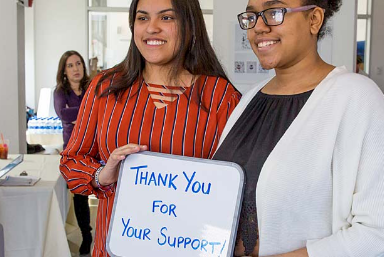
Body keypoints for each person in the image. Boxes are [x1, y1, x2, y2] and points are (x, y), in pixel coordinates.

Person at [59, 0, 241, 256]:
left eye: (166, 18)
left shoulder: (220, 97)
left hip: (188, 248)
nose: (151, 28)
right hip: (115, 247)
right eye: (142, 18)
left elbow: (238, 185)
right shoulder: (105, 87)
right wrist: (103, 174)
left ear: (189, 25)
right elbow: (71, 161)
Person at [213, 0, 384, 256]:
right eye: (251, 16)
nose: (258, 26)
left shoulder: (356, 96)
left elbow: (375, 234)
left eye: (274, 12)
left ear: (314, 19)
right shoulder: (250, 99)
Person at [53, 50, 93, 256]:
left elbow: (100, 110)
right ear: (64, 70)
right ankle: (87, 236)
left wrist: (80, 116)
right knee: (80, 193)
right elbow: (63, 114)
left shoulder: (91, 87)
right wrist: (88, 113)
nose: (76, 68)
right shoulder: (60, 92)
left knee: (103, 190)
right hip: (74, 149)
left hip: (95, 146)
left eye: (78, 64)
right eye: (70, 65)